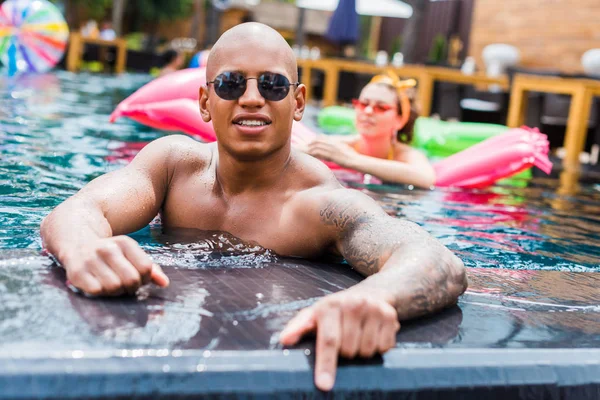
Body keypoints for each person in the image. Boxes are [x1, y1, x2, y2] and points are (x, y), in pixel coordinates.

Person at [40, 23, 467, 392]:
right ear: (206, 103)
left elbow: (435, 261)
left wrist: (375, 298)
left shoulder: (317, 203)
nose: (251, 98)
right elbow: (80, 209)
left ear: (297, 102)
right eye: (230, 83)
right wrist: (82, 247)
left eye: (272, 84)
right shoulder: (173, 166)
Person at [304, 71, 437, 188]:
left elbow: (426, 178)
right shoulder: (338, 145)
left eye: (381, 107)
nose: (368, 111)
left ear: (399, 120)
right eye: (363, 104)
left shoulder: (405, 155)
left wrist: (351, 160)